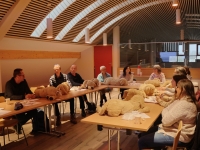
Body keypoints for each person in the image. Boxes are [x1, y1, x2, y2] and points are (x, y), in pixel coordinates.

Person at [138, 79, 197, 150]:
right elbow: (167, 109)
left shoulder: (184, 104)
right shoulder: (181, 100)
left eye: (177, 87)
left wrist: (166, 111)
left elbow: (165, 121)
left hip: (180, 137)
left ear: (183, 90)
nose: (175, 89)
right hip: (172, 129)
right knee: (143, 134)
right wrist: (167, 111)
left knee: (142, 141)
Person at [4, 68, 38, 134]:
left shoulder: (24, 82)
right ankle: (18, 124)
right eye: (23, 75)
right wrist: (23, 96)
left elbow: (28, 91)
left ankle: (20, 125)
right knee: (20, 116)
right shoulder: (9, 84)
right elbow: (10, 96)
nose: (24, 77)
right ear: (17, 76)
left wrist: (32, 95)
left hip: (24, 104)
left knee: (34, 110)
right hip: (13, 106)